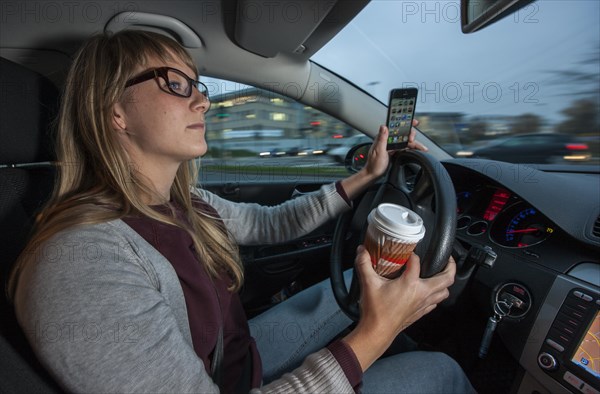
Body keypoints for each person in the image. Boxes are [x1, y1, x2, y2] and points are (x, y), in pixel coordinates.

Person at [8, 30, 475, 393]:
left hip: (235, 360)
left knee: (363, 279)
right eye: (175, 83)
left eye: (199, 86)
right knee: (441, 371)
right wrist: (379, 331)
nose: (202, 100)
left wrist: (368, 174)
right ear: (115, 112)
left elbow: (271, 223)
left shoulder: (183, 202)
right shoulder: (82, 263)